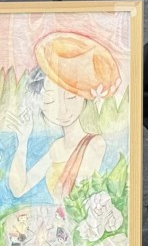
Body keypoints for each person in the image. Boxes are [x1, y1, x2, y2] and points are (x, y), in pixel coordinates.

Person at [6, 32, 120, 202]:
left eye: (71, 97)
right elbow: (19, 189)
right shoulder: (56, 147)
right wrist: (22, 142)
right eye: (50, 100)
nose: (62, 110)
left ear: (85, 98)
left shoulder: (94, 144)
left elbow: (78, 199)